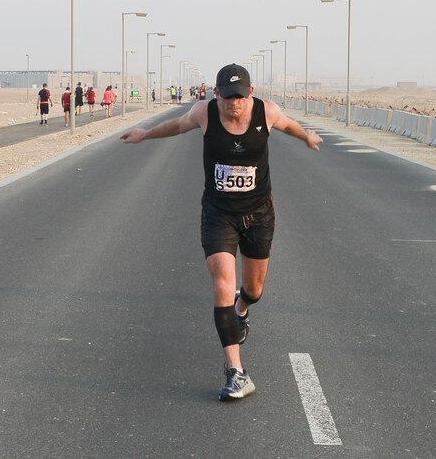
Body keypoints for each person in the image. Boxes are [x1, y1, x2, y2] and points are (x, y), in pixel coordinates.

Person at [120, 63, 322, 401]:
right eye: (228, 97)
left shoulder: (266, 111)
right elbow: (178, 125)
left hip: (259, 214)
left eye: (240, 96)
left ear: (251, 93)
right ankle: (236, 372)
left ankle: (242, 310)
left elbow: (288, 125)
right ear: (217, 94)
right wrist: (145, 134)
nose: (235, 103)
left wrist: (307, 137)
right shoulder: (205, 113)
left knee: (253, 290)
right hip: (219, 214)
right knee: (222, 284)